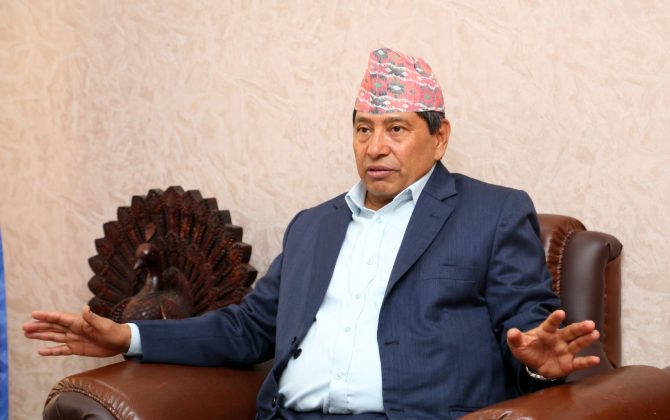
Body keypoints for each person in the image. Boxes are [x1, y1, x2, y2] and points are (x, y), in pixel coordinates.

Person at [24, 48, 600, 419]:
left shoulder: (492, 213)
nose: (375, 147)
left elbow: (530, 322)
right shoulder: (314, 226)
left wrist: (537, 358)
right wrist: (127, 337)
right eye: (363, 129)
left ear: (440, 137)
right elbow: (248, 329)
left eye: (397, 129)